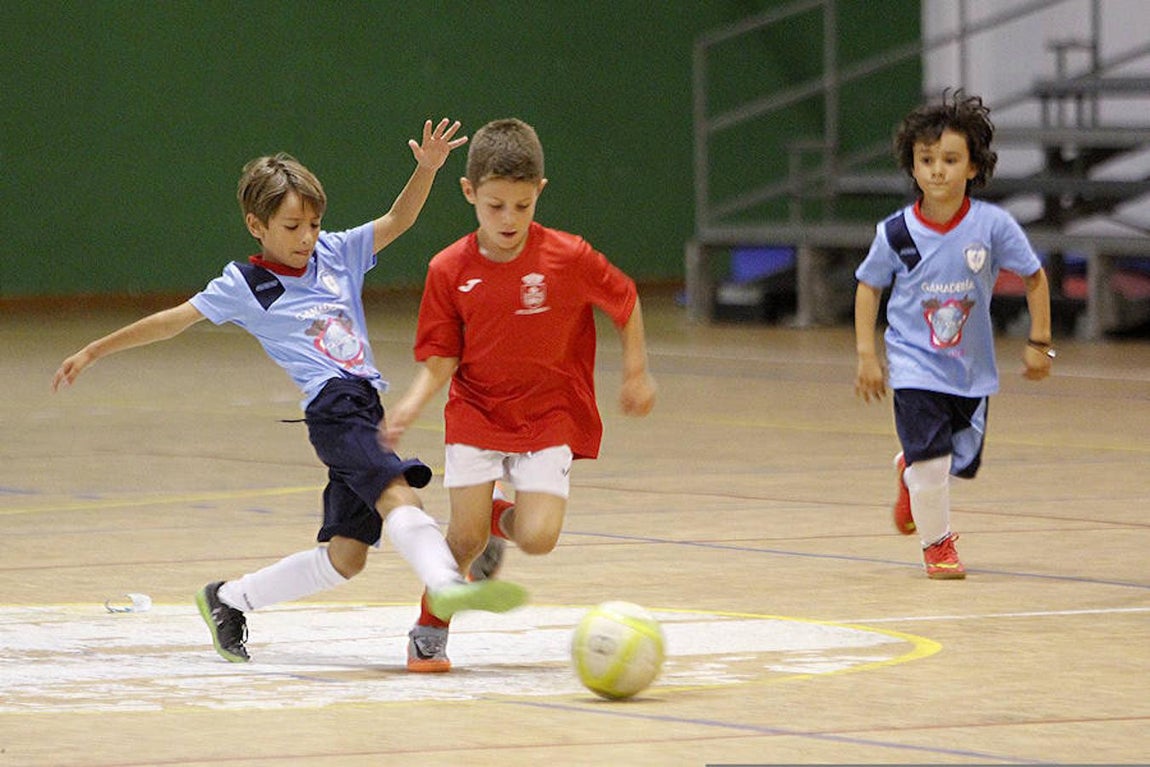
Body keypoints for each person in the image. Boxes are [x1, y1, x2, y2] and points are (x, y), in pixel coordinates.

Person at [51, 119, 528, 663]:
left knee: (345, 559)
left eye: (315, 223)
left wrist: (426, 169)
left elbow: (399, 218)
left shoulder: (337, 253)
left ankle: (228, 598)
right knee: (399, 491)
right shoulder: (245, 284)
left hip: (365, 407)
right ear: (257, 224)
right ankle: (445, 580)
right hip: (333, 408)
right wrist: (94, 349)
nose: (307, 236)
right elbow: (172, 320)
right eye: (293, 225)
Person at [385, 117, 657, 671]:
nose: (508, 219)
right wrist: (412, 404)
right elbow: (441, 359)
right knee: (461, 540)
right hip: (478, 410)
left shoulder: (568, 256)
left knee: (538, 539)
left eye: (521, 205)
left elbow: (625, 301)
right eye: (494, 206)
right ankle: (428, 631)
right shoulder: (448, 269)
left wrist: (636, 371)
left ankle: (499, 517)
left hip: (549, 414)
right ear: (469, 194)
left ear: (540, 192)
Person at [854, 91, 1054, 579]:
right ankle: (937, 545)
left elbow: (1034, 277)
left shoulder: (992, 226)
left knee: (957, 461)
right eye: (926, 160)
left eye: (949, 159)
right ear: (912, 166)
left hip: (971, 370)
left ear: (972, 167)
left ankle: (909, 471)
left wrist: (1039, 343)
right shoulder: (896, 234)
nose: (937, 170)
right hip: (914, 365)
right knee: (934, 462)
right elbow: (868, 286)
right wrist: (867, 354)